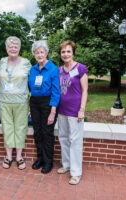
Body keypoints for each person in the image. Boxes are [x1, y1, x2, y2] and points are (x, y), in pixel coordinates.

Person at [57, 40, 88, 185]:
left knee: (75, 141)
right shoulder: (59, 70)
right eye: (63, 52)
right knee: (63, 137)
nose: (66, 54)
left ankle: (76, 173)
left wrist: (82, 109)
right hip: (61, 110)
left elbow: (85, 90)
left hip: (75, 111)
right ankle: (66, 164)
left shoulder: (81, 68)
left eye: (68, 51)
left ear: (73, 52)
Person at [0, 36, 32, 170]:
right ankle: (8, 156)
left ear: (19, 49)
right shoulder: (1, 61)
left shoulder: (26, 62)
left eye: (16, 46)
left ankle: (19, 156)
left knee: (20, 127)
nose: (13, 49)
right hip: (4, 101)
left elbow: (34, 79)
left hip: (21, 102)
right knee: (7, 128)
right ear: (6, 48)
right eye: (10, 46)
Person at [28, 40, 60, 174]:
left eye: (42, 52)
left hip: (48, 104)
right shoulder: (33, 69)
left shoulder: (53, 69)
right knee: (37, 132)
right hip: (34, 102)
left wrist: (53, 112)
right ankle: (40, 158)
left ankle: (48, 162)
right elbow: (31, 88)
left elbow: (56, 91)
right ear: (34, 54)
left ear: (46, 53)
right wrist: (31, 107)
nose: (39, 55)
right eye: (37, 52)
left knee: (47, 132)